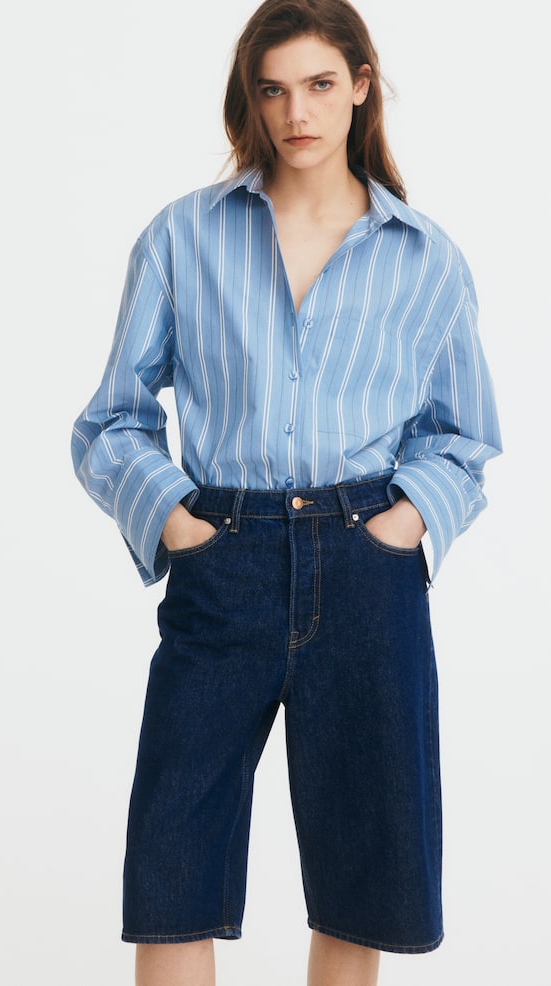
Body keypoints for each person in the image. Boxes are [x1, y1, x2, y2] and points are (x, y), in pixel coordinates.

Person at [71, 1, 501, 982]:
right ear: (250, 100)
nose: (296, 112)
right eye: (272, 90)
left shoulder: (423, 256)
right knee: (171, 865)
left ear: (360, 86)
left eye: (318, 84)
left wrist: (402, 524)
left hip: (366, 569)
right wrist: (178, 521)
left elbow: (463, 434)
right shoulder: (183, 236)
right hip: (222, 560)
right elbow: (111, 419)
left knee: (363, 873)